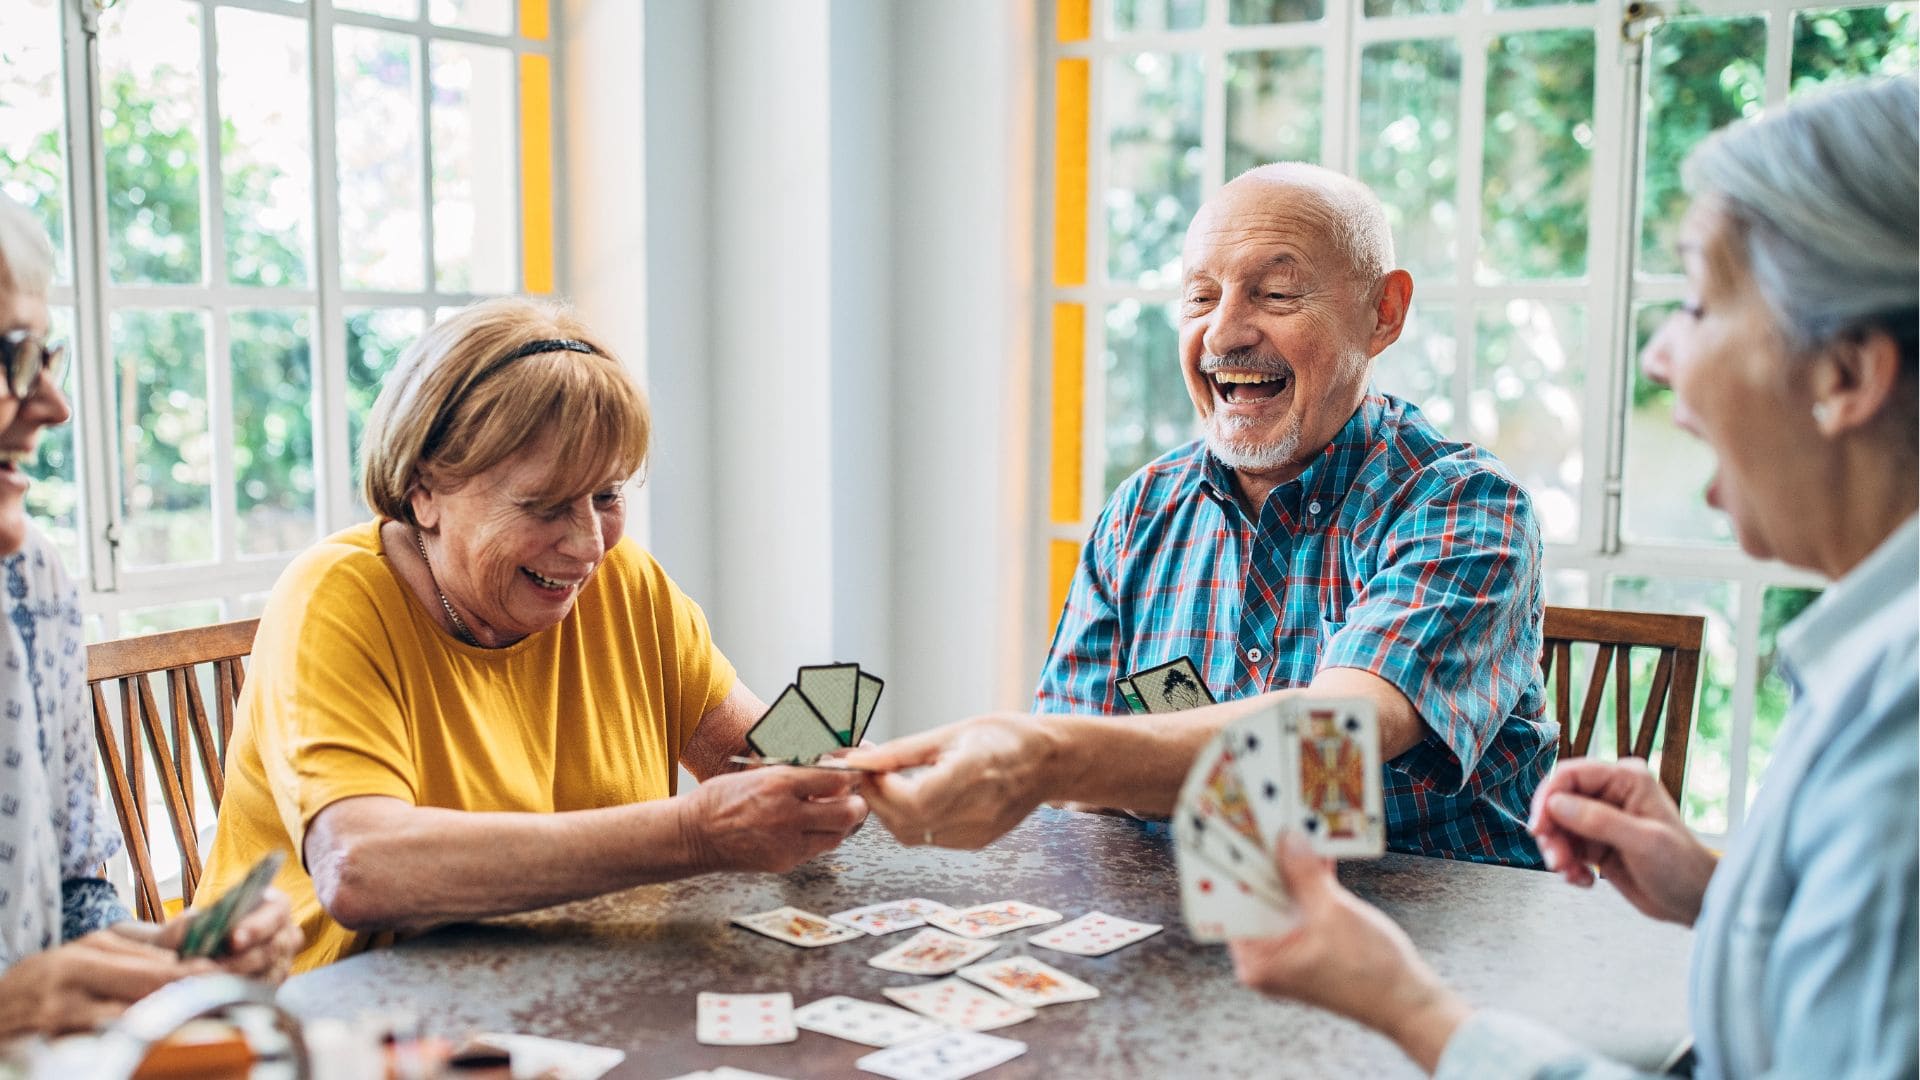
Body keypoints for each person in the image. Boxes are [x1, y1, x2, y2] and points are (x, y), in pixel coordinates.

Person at [1226, 77, 1918, 1078]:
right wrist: (1725, 891)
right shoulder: (1872, 665)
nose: (1660, 352)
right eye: (1202, 292)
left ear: (1845, 375)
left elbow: (1337, 734)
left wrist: (1414, 1010)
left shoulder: (1898, 731)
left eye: (1698, 301)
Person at [852, 163, 1552, 865]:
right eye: (1200, 297)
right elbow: (1077, 785)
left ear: (1383, 314)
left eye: (1276, 293)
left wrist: (1047, 755)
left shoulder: (1463, 505)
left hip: (1429, 938)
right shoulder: (1139, 512)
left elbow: (1337, 739)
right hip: (1194, 916)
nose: (1224, 332)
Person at [194, 298, 868, 972]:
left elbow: (748, 760)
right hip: (338, 1026)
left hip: (565, 991)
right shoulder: (334, 597)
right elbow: (361, 868)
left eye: (606, 495)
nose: (586, 546)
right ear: (423, 488)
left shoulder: (624, 578)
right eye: (545, 505)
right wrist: (693, 834)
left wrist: (840, 761)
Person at [0, 193, 301, 1038]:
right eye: (10, 358)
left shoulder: (32, 583)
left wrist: (166, 958)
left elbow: (71, 898)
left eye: (45, 356)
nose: (53, 406)